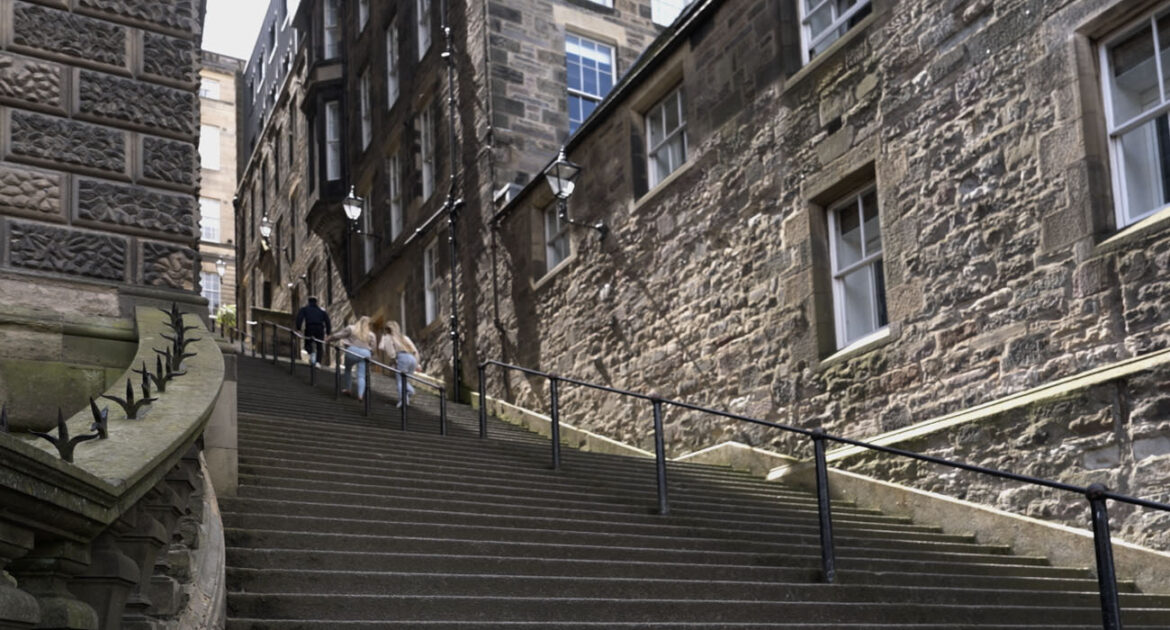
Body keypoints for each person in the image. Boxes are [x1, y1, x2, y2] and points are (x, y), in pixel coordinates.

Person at [327, 315, 375, 401]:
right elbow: (373, 347)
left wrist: (329, 339)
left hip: (352, 351)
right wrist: (371, 353)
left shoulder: (351, 329)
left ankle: (348, 388)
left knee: (348, 369)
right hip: (365, 354)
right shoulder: (371, 335)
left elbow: (338, 335)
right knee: (361, 375)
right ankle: (360, 395)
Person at [379, 320, 419, 407]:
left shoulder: (388, 337)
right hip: (412, 358)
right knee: (405, 380)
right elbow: (414, 350)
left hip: (402, 357)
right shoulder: (404, 337)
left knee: (400, 381)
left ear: (387, 330)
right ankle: (408, 395)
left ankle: (406, 397)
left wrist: (393, 359)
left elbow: (383, 348)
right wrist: (417, 362)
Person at [295, 297, 331, 365]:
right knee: (319, 345)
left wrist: (298, 328)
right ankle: (318, 362)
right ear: (316, 302)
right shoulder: (321, 311)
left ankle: (312, 355)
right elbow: (327, 321)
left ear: (308, 302)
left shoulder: (305, 309)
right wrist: (328, 333)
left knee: (308, 343)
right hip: (320, 328)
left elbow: (299, 318)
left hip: (310, 327)